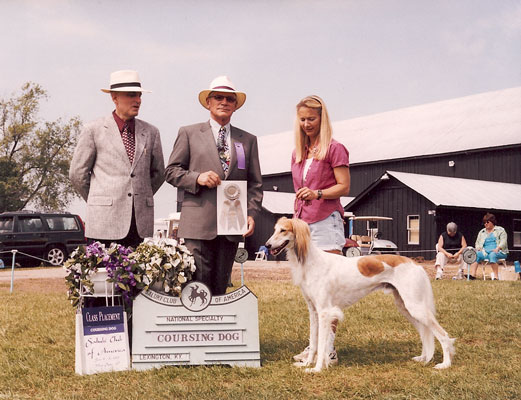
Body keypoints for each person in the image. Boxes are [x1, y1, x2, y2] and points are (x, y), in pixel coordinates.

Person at [164, 76, 262, 296]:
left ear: (235, 106)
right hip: (198, 225)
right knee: (197, 287)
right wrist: (196, 178)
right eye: (218, 97)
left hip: (231, 225)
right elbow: (170, 172)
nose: (224, 102)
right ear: (208, 102)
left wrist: (252, 213)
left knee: (220, 287)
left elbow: (255, 184)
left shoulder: (248, 140)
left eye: (229, 99)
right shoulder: (188, 133)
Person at [70, 70, 165, 249]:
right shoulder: (93, 129)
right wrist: (100, 200)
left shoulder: (151, 132)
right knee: (102, 277)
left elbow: (159, 174)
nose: (138, 100)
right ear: (114, 97)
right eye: (131, 95)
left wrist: (138, 197)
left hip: (139, 226)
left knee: (136, 277)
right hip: (103, 224)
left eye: (139, 95)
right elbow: (77, 175)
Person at [290, 95, 350, 366]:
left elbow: (344, 186)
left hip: (326, 221)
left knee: (328, 290)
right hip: (303, 223)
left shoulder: (335, 148)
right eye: (302, 119)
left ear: (322, 118)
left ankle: (329, 348)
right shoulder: (298, 152)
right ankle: (315, 346)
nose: (306, 124)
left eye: (311, 119)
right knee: (310, 291)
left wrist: (317, 193)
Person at [468, 213, 508, 280]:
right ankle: (473, 275)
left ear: (492, 222)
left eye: (487, 222)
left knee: (492, 255)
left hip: (499, 251)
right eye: (484, 222)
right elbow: (477, 243)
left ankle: (496, 277)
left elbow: (503, 242)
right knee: (476, 254)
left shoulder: (500, 230)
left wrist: (498, 248)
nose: (485, 224)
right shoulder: (482, 232)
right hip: (485, 252)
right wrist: (478, 247)